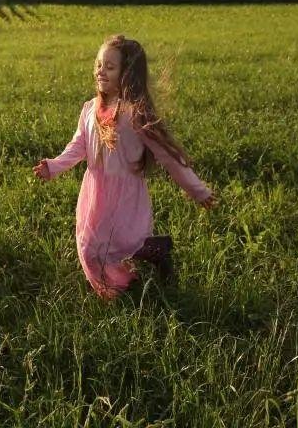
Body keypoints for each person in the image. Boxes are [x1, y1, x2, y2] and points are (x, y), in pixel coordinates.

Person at [32, 34, 216, 300]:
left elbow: (168, 157)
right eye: (98, 64)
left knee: (115, 246)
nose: (100, 71)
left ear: (126, 74)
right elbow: (78, 146)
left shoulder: (135, 114)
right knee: (91, 247)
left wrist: (198, 191)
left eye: (109, 66)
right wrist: (54, 166)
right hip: (96, 192)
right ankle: (126, 285)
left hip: (125, 194)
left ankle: (130, 283)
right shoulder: (89, 109)